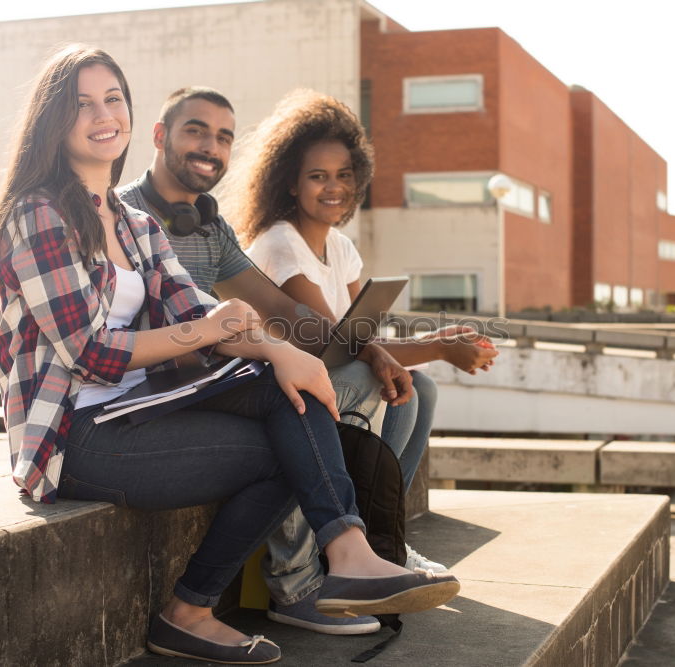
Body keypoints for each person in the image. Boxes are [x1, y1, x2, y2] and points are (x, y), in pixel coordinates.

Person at [0, 45, 459, 665]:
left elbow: (194, 311)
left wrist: (279, 353)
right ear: (53, 120)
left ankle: (344, 553)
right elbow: (92, 353)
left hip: (142, 407)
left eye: (114, 98)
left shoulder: (132, 225)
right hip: (72, 433)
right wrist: (214, 332)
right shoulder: (38, 214)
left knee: (290, 391)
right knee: (290, 443)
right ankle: (204, 605)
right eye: (82, 104)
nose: (104, 114)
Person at [118, 87, 496, 635]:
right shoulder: (122, 215)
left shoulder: (207, 223)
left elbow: (278, 307)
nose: (211, 145)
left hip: (215, 376)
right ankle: (299, 585)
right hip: (158, 390)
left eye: (224, 136)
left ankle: (362, 552)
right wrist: (370, 353)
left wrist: (370, 346)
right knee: (321, 388)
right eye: (195, 130)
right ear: (159, 136)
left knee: (354, 379)